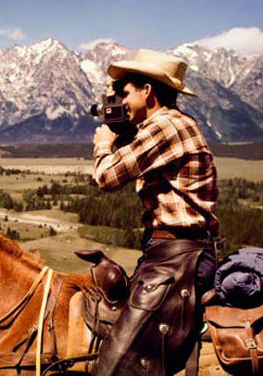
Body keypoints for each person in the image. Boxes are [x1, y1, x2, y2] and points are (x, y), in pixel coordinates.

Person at [90, 49, 220, 376]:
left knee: (115, 365)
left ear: (148, 92)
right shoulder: (163, 125)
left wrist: (104, 142)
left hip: (178, 259)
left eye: (126, 92)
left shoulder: (166, 126)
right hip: (166, 255)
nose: (121, 100)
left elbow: (107, 177)